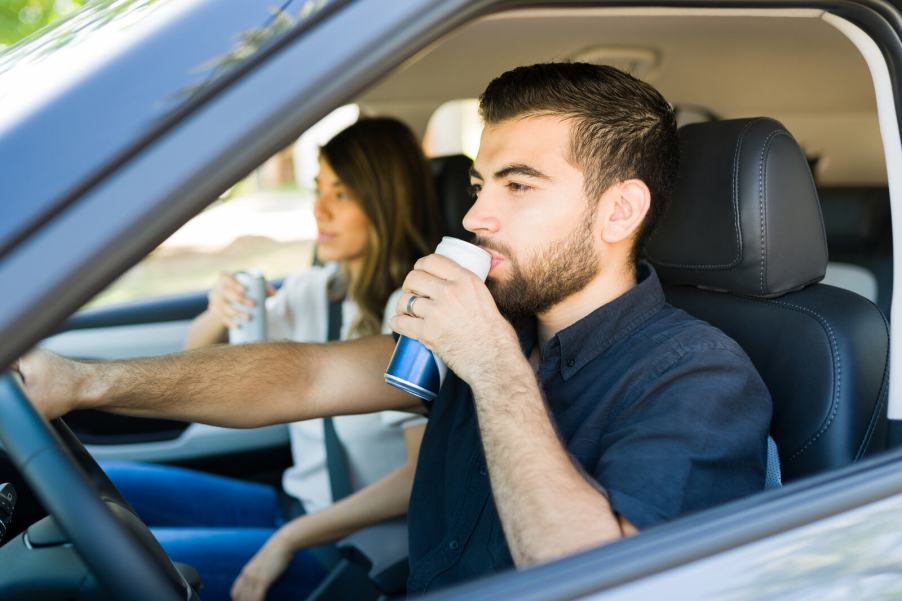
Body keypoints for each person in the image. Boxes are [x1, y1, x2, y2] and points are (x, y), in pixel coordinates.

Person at [16, 63, 772, 596]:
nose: (476, 216)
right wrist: (85, 381)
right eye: (481, 185)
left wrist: (492, 363)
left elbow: (598, 578)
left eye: (517, 185)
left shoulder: (699, 375)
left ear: (619, 211)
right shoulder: (501, 318)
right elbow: (306, 375)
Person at [97, 117, 443, 601]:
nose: (318, 209)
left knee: (110, 567)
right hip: (296, 504)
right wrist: (218, 314)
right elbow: (197, 373)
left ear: (387, 199)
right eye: (317, 189)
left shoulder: (415, 316)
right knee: (108, 485)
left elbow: (416, 481)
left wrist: (288, 539)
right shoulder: (314, 291)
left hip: (356, 549)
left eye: (340, 195)